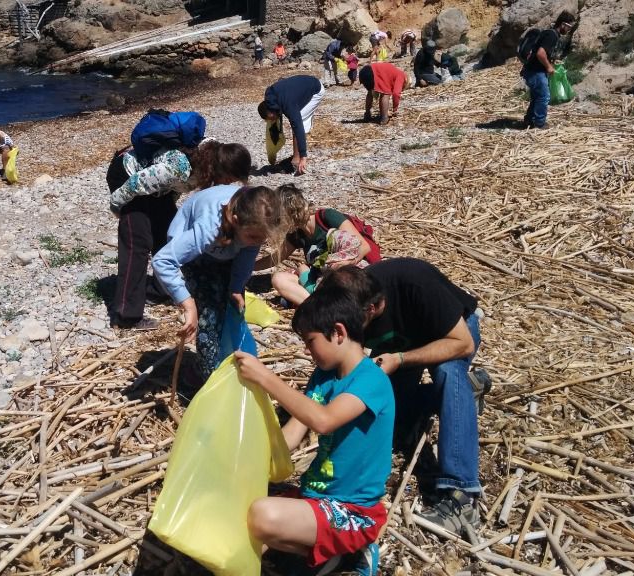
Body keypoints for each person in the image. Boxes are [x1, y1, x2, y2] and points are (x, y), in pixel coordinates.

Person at [318, 259, 488, 539]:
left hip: (450, 335)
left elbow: (463, 343)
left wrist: (400, 359)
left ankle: (462, 496)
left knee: (448, 373)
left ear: (373, 308)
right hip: (402, 341)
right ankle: (466, 394)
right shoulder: (347, 297)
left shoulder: (415, 284)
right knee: (394, 416)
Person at [234, 281, 394, 576]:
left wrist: (266, 379)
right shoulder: (325, 376)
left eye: (310, 341)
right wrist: (249, 461)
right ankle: (331, 553)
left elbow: (323, 420)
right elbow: (295, 431)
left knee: (261, 517)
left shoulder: (372, 381)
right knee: (239, 517)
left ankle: (351, 553)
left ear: (339, 332)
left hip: (353, 511)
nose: (308, 351)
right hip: (315, 496)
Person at [151, 177, 284, 381]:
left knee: (227, 304)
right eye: (254, 237)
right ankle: (206, 376)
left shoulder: (252, 228)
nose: (257, 243)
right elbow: (162, 261)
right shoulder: (207, 228)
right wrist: (188, 304)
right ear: (236, 220)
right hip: (195, 254)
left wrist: (237, 288)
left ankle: (224, 358)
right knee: (210, 312)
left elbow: (247, 256)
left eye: (262, 239)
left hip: (226, 247)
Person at [109, 141, 247, 330]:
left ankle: (158, 291)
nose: (230, 184)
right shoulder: (179, 168)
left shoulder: (213, 160)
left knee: (166, 232)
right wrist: (118, 207)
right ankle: (126, 315)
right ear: (220, 172)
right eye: (230, 179)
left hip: (157, 187)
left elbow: (173, 189)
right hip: (128, 176)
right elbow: (135, 184)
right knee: (137, 243)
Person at [257, 185, 379, 307]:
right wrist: (248, 266)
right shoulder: (297, 234)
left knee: (308, 271)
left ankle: (317, 304)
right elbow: (274, 258)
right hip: (322, 278)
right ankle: (320, 306)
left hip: (350, 273)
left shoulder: (327, 217)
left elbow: (363, 246)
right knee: (279, 279)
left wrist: (347, 262)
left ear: (289, 212)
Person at [257, 75, 325, 175]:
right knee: (295, 120)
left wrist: (303, 156)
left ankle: (297, 160)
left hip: (316, 89)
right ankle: (295, 157)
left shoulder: (288, 104)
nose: (273, 120)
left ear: (271, 113)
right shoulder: (270, 98)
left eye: (271, 118)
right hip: (302, 84)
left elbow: (298, 127)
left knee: (299, 120)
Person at [522, 11, 577, 129]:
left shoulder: (550, 33)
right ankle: (539, 123)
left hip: (532, 70)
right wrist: (548, 67)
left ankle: (529, 120)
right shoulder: (552, 35)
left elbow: (544, 53)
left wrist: (552, 62)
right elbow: (540, 54)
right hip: (536, 71)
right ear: (563, 24)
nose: (569, 30)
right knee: (544, 96)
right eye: (569, 27)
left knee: (537, 96)